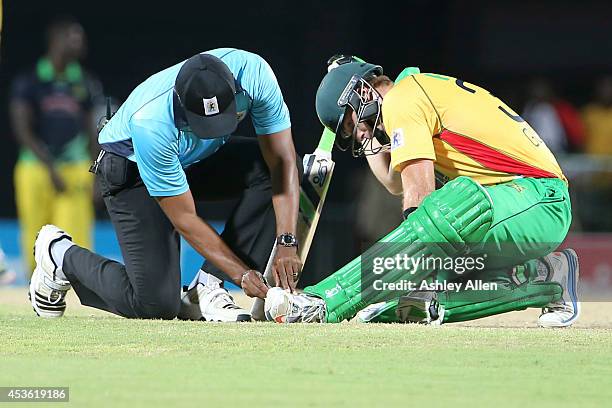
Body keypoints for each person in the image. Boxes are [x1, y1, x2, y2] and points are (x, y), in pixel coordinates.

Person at [265, 58, 580, 327]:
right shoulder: (415, 91)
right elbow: (393, 181)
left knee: (453, 206)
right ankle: (550, 280)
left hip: (538, 198)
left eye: (354, 124)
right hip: (522, 210)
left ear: (363, 92)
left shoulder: (405, 98)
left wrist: (412, 271)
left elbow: (418, 195)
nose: (361, 136)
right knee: (395, 309)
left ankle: (322, 303)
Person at [29, 48, 303, 322]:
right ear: (181, 104)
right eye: (203, 123)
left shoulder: (254, 74)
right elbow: (184, 218)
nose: (217, 130)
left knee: (269, 169)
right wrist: (240, 274)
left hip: (190, 159)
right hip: (131, 170)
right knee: (156, 305)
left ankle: (206, 288)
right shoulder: (152, 122)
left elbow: (282, 160)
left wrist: (287, 241)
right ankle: (59, 255)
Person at [10, 16, 101, 275]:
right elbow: (22, 129)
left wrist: (95, 173)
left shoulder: (85, 81)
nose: (81, 43)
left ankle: (77, 292)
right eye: (75, 37)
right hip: (35, 167)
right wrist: (50, 167)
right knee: (35, 234)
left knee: (76, 236)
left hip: (74, 168)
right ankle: (36, 289)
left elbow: (94, 129)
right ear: (56, 40)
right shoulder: (29, 80)